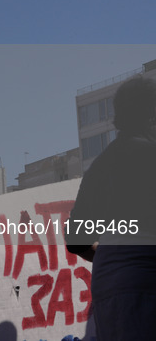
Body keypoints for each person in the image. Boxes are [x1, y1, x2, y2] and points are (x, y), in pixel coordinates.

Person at [66, 75, 156, 340]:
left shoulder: (100, 166)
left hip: (108, 288)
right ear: (151, 116)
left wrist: (114, 256)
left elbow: (75, 239)